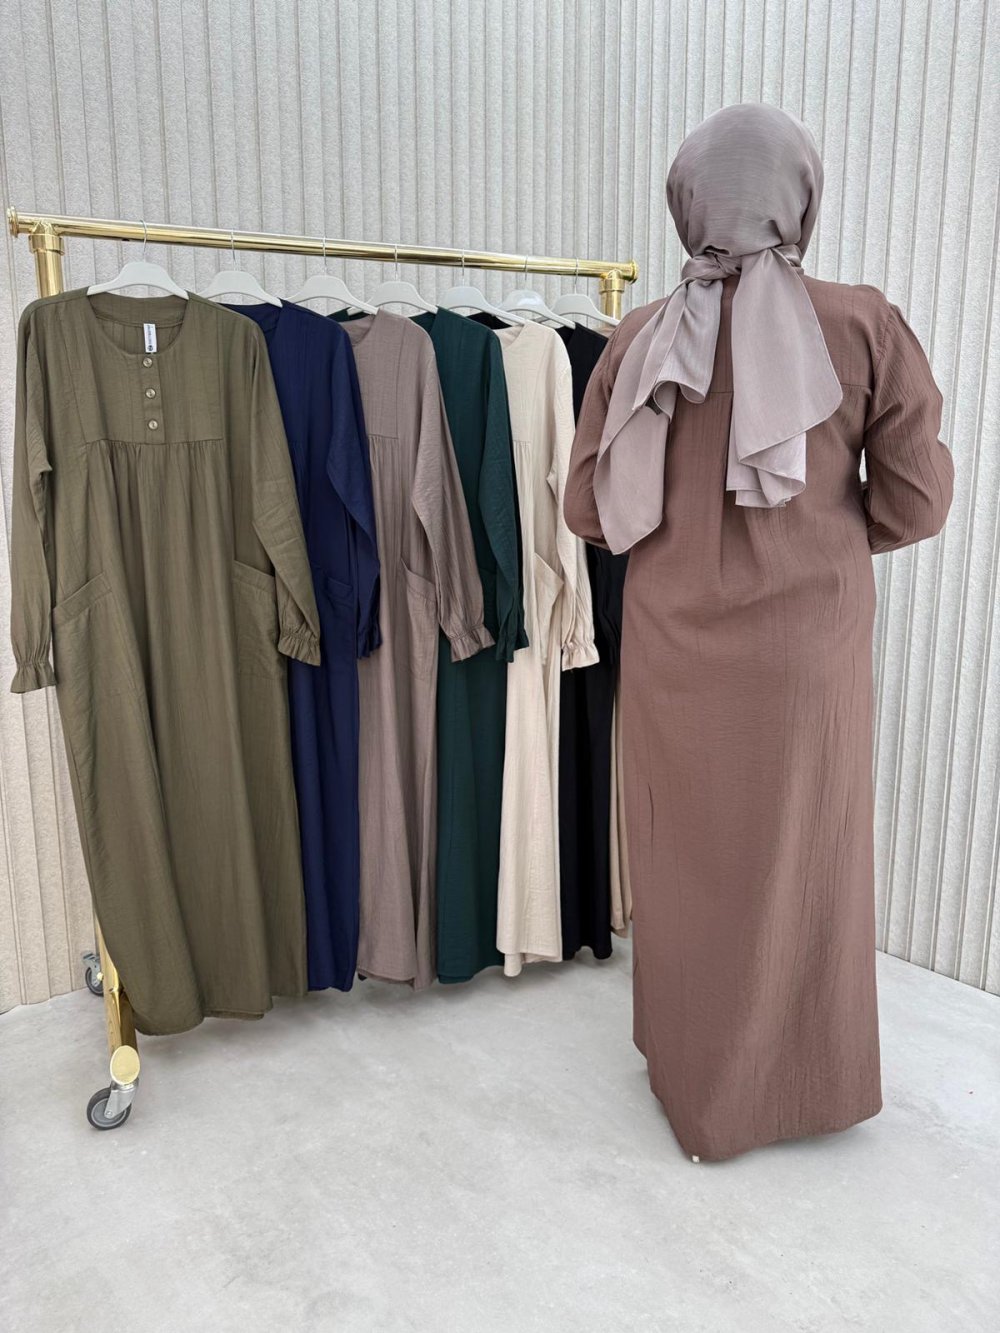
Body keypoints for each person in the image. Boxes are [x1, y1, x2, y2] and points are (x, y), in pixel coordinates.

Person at [564, 103, 954, 1162]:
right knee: (803, 861)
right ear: (801, 199)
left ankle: (693, 1078)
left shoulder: (641, 336)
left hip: (671, 648)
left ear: (688, 203)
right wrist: (826, 534)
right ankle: (800, 1085)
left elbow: (589, 510)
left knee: (683, 855)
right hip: (804, 656)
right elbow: (917, 502)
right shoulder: (863, 324)